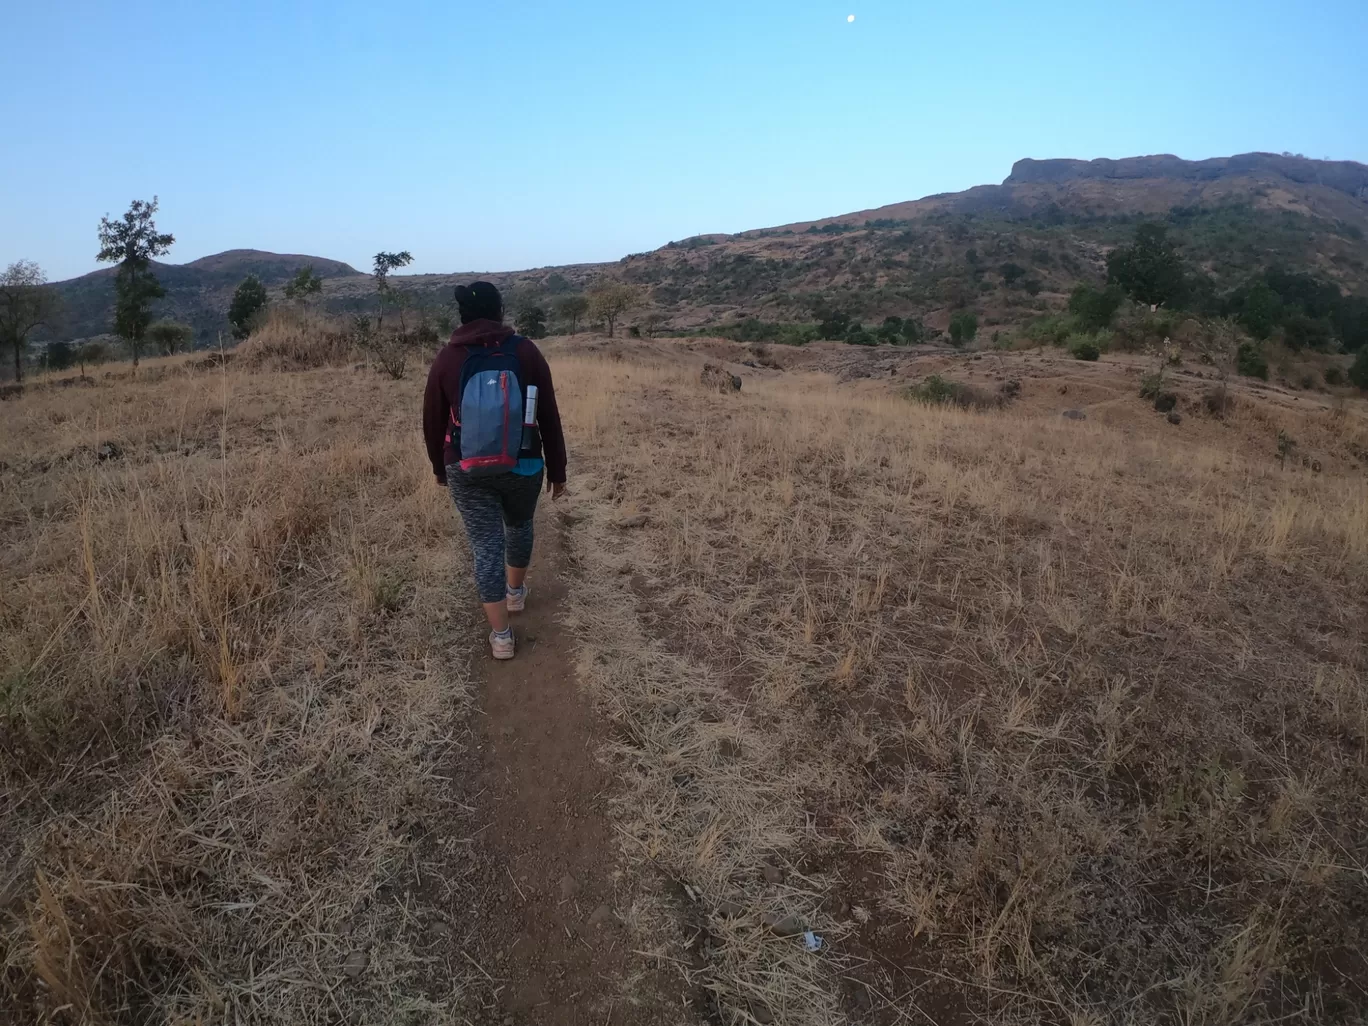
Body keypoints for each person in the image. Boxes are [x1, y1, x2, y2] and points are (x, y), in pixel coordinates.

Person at [423, 281, 566, 660]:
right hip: (525, 462)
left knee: (485, 545)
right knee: (519, 526)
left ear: (463, 316)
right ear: (500, 310)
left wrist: (440, 467)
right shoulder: (526, 352)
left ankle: (501, 637)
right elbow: (549, 414)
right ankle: (515, 595)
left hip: (466, 467)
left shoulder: (447, 359)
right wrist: (559, 469)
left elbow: (432, 420)